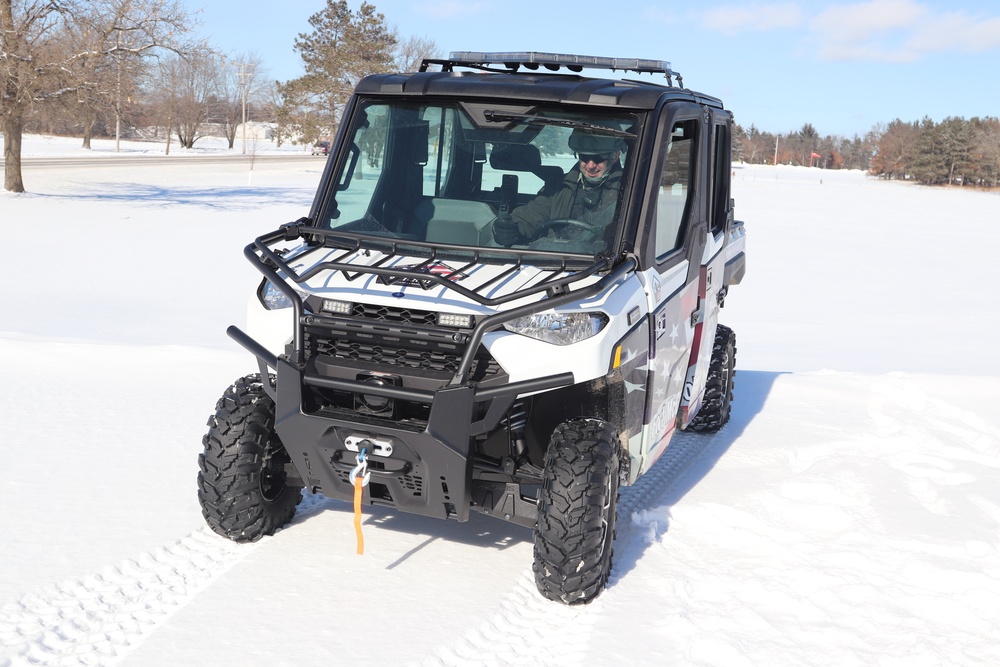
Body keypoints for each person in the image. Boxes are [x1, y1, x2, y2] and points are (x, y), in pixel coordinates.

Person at [492, 127, 625, 247]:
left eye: (598, 158)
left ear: (614, 155)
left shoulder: (629, 191)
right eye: (584, 157)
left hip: (605, 266)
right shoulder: (559, 186)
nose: (590, 165)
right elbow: (534, 214)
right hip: (556, 262)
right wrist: (512, 228)